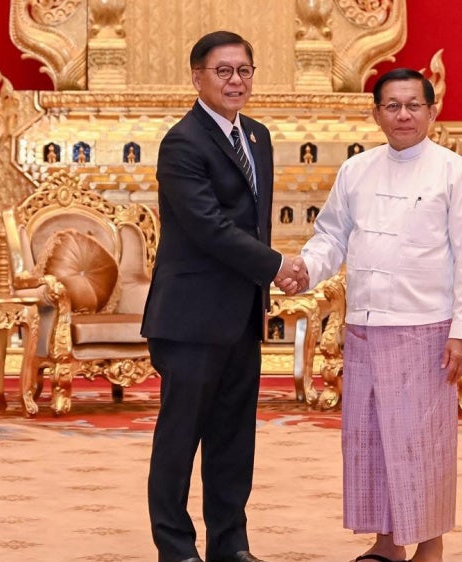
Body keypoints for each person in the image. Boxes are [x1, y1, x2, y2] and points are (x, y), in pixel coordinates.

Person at [297, 68, 462, 562]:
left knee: (422, 442)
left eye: (413, 105)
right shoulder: (356, 170)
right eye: (392, 106)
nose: (403, 115)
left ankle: (429, 544)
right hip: (363, 326)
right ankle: (385, 544)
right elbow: (331, 237)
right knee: (371, 438)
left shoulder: (453, 172)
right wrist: (302, 270)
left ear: (432, 111)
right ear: (376, 112)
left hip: (426, 327)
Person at [140, 30, 302, 562]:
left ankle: (230, 546)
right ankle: (176, 548)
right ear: (197, 77)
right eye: (224, 71)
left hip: (240, 317)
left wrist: (266, 276)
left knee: (234, 440)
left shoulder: (256, 135)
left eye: (244, 71)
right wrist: (277, 266)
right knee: (180, 439)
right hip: (189, 319)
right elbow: (209, 228)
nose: (236, 81)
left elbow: (252, 226)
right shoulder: (182, 142)